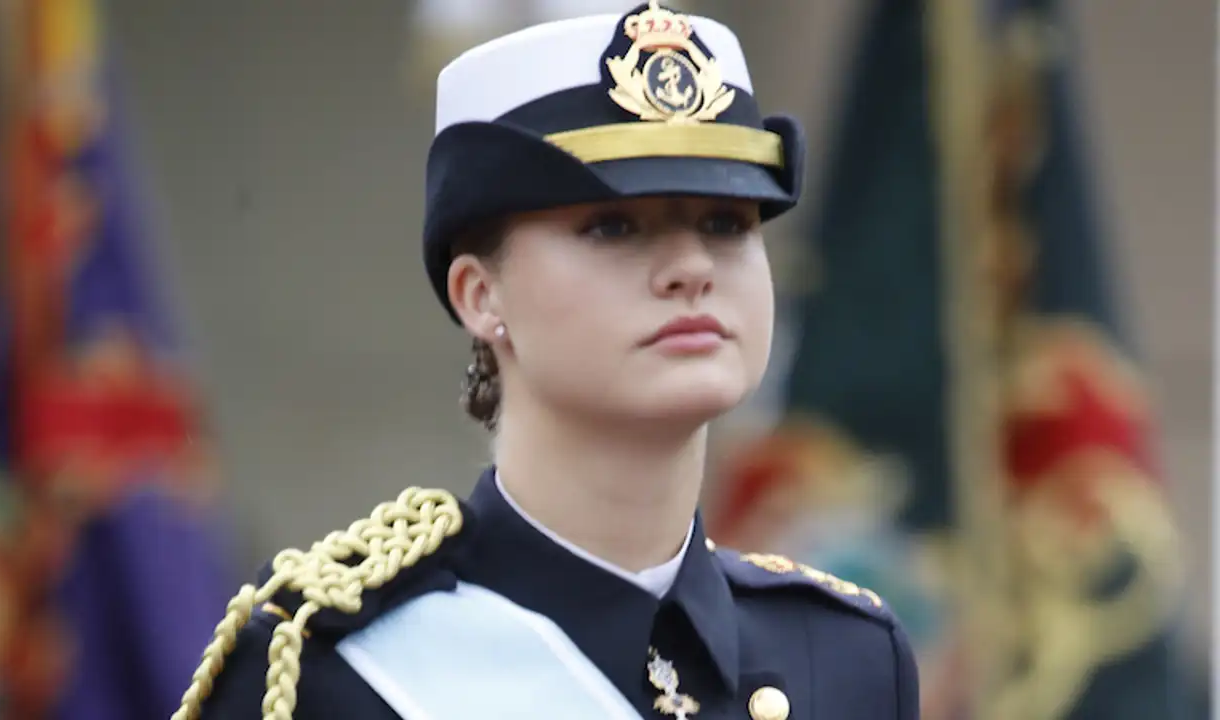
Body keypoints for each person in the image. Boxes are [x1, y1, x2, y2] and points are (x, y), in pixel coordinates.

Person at [172, 3, 920, 719]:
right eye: (614, 226)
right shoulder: (333, 674)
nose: (692, 267)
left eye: (726, 222)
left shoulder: (848, 659)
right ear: (479, 294)